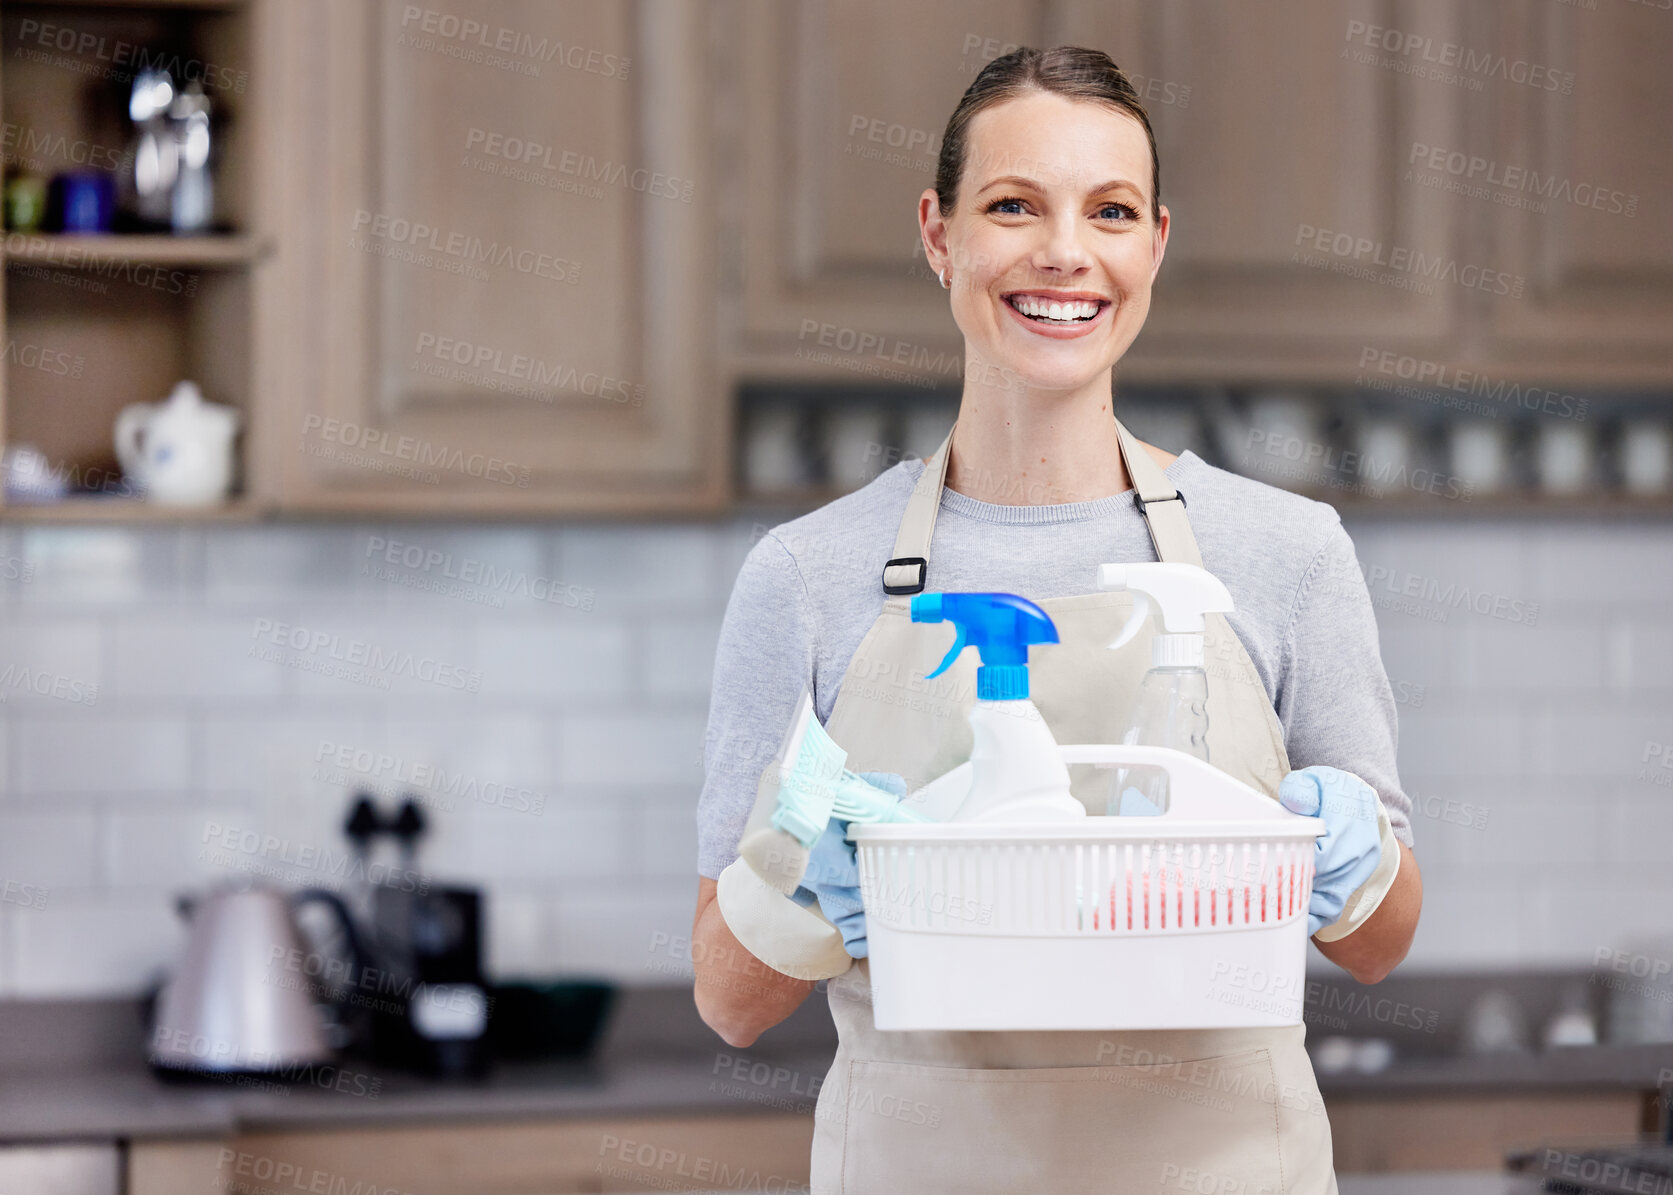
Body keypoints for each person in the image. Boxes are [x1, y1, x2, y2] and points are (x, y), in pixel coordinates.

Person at [692, 46, 1422, 1194]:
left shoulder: (1283, 554)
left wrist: (1345, 855)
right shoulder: (806, 575)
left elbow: (1377, 944)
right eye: (1012, 206)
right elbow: (728, 1002)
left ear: (1154, 246)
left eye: (1111, 211)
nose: (1065, 253)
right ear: (939, 235)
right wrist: (803, 865)